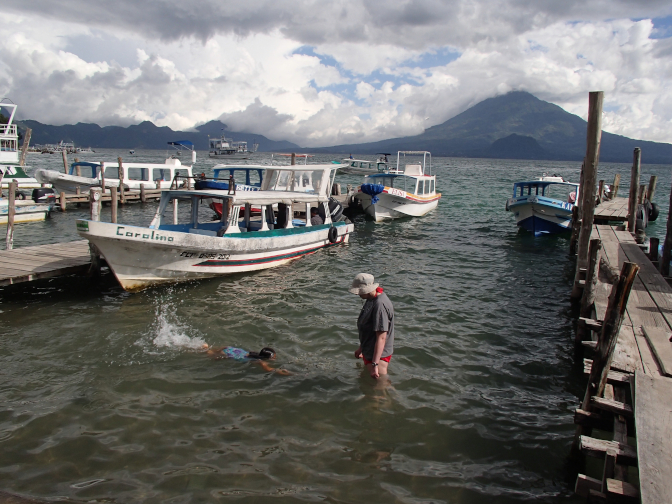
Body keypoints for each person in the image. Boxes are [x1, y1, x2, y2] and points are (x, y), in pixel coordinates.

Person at [349, 273, 394, 379]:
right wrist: (361, 348)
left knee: (379, 388)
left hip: (379, 356)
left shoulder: (380, 305)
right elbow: (368, 328)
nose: (358, 294)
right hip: (369, 350)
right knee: (374, 388)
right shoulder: (371, 299)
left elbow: (381, 337)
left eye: (359, 291)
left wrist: (375, 365)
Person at [202, 344, 290, 375]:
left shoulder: (255, 354)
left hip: (230, 349)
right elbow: (268, 369)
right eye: (274, 357)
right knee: (208, 354)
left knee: (210, 350)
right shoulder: (260, 361)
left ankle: (206, 347)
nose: (275, 358)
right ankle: (203, 349)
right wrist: (279, 371)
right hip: (228, 354)